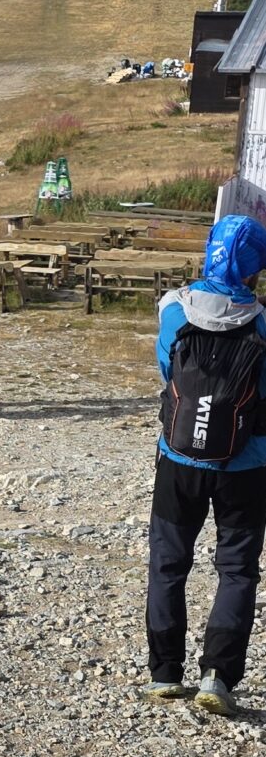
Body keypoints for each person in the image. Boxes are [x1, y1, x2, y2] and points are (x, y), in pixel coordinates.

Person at [147, 213, 266, 715]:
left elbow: (165, 371)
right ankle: (217, 675)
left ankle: (165, 673)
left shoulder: (174, 309)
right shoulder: (262, 321)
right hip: (248, 464)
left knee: (168, 562)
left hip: (179, 457)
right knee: (237, 569)